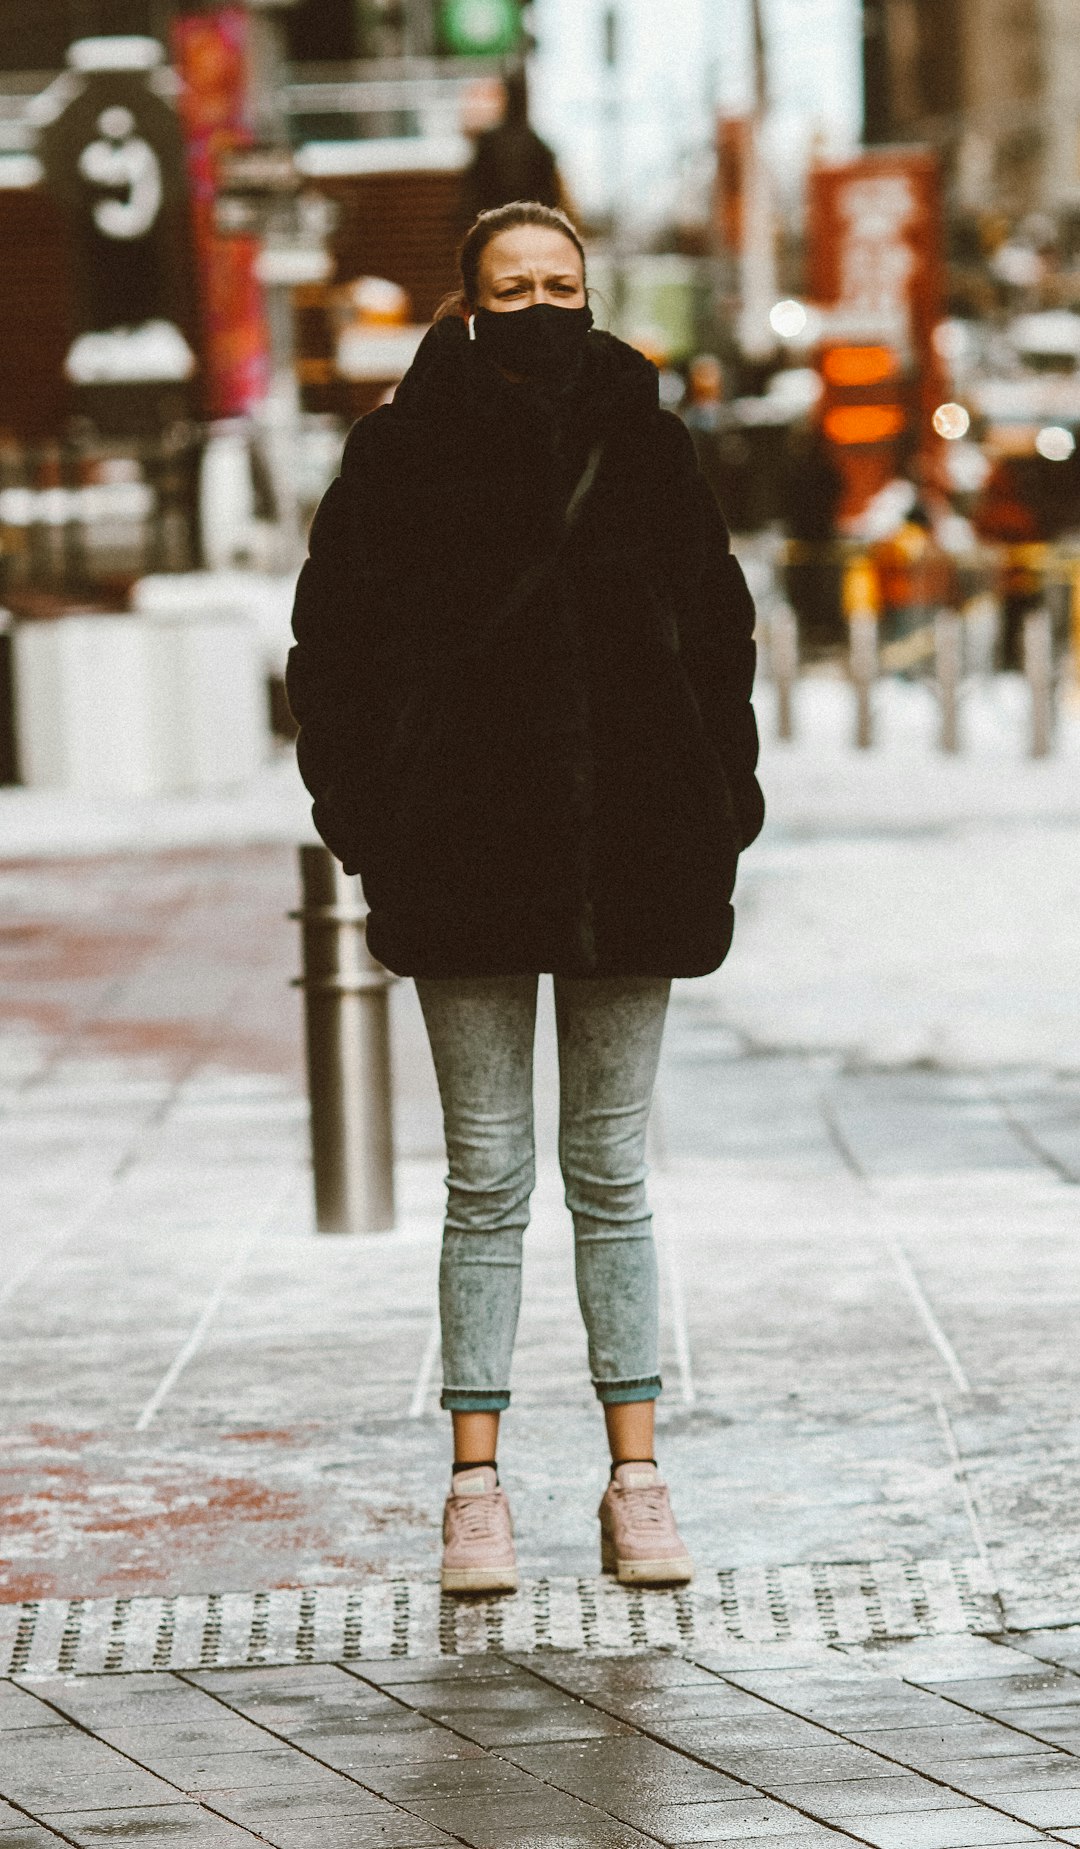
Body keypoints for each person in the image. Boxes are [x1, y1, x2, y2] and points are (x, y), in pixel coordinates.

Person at [287, 201, 764, 1597]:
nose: (542, 306)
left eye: (563, 283)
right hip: (468, 859)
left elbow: (720, 638)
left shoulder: (650, 443)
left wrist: (715, 806)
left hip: (636, 852)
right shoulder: (396, 455)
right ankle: (476, 1494)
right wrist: (378, 825)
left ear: (590, 292)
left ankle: (638, 1481)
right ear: (471, 301)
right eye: (515, 285)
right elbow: (334, 657)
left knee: (611, 1174)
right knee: (486, 1178)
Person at [460, 71, 562, 222]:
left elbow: (474, 189)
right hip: (530, 221)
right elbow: (549, 194)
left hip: (493, 221)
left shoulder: (488, 140)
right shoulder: (537, 144)